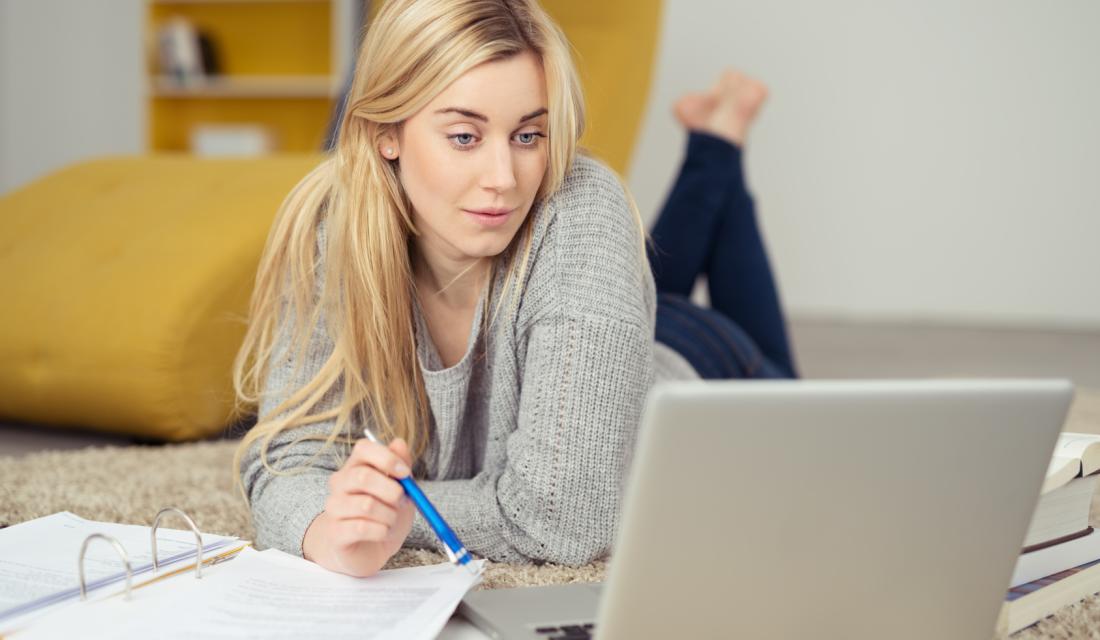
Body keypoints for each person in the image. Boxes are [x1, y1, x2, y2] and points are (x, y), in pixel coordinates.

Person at [232, 0, 796, 579]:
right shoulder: (338, 222)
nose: (503, 178)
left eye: (529, 135)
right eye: (463, 136)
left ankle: (718, 146)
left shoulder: (582, 211)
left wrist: (392, 509)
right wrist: (328, 531)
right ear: (386, 134)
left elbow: (564, 523)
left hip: (701, 360)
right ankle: (718, 140)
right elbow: (285, 459)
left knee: (789, 388)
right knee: (638, 272)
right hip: (582, 325)